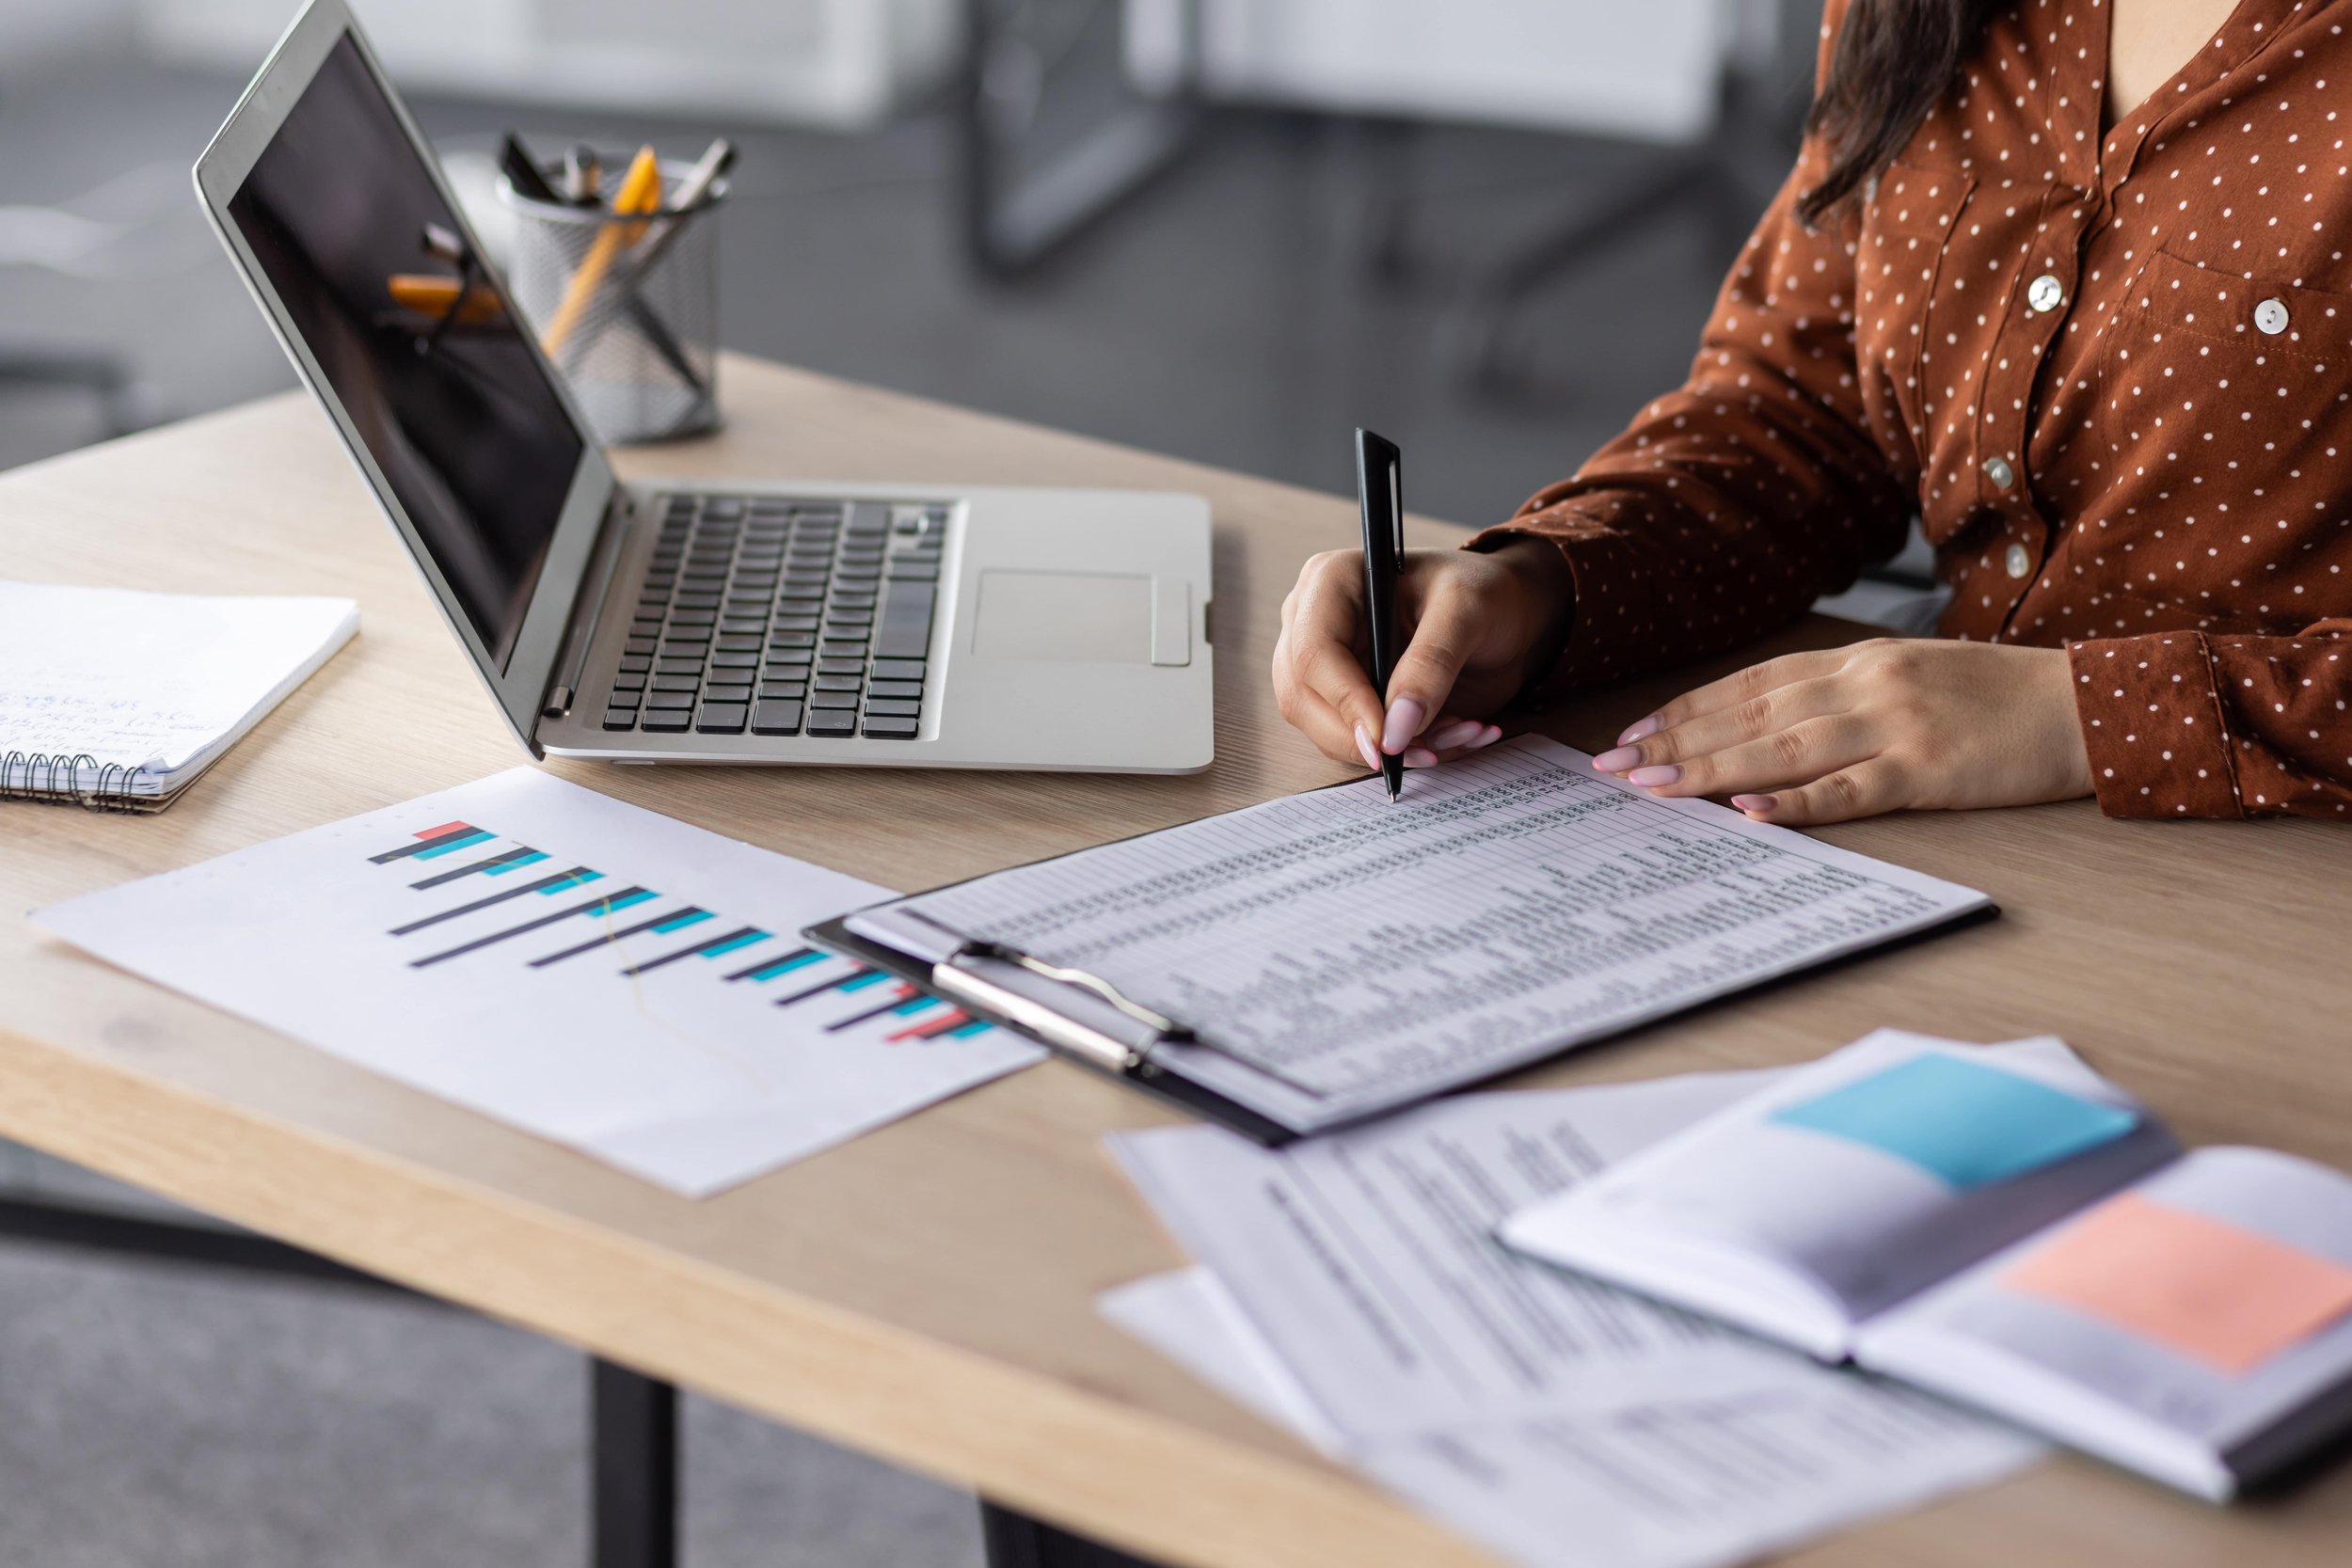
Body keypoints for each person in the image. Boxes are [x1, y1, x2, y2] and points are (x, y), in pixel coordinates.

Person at [1272, 0, 2352, 824]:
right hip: (1961, 837)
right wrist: (1536, 585)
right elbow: (1806, 403)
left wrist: (2080, 715)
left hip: (2272, 880)